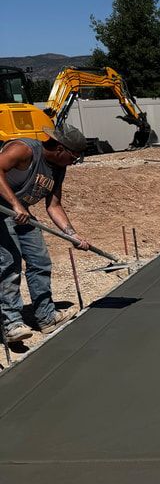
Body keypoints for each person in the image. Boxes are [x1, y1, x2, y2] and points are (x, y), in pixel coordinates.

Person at [0, 124, 91, 343]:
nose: (74, 162)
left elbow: (54, 205)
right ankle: (11, 323)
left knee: (40, 261)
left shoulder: (58, 168)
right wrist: (15, 204)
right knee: (9, 263)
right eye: (74, 157)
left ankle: (46, 317)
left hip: (20, 211)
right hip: (2, 209)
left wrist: (72, 234)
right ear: (60, 148)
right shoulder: (24, 150)